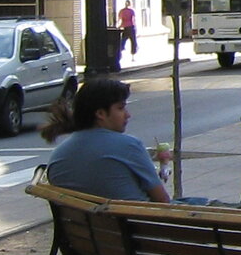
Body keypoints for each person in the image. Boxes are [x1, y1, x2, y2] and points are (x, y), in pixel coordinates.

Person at [41, 77, 171, 204]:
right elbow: (162, 200)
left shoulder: (58, 155)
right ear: (100, 114)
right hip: (137, 217)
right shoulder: (128, 146)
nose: (128, 115)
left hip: (85, 218)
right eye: (120, 108)